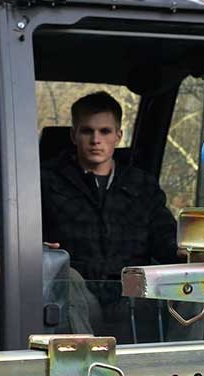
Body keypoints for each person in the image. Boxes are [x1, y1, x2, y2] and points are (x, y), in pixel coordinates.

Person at [39, 92, 185, 341]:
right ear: (74, 135)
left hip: (132, 298)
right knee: (63, 274)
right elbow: (25, 234)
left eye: (105, 131)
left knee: (197, 283)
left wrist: (191, 253)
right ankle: (84, 362)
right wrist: (39, 248)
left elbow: (165, 238)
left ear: (118, 136)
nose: (96, 140)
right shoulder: (47, 182)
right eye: (87, 131)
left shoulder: (141, 186)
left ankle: (182, 360)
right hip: (77, 297)